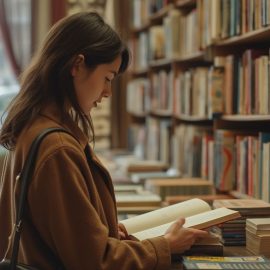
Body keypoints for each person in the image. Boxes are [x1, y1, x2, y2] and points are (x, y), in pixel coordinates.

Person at [0, 11, 208, 270]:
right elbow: (95, 262)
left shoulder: (33, 125)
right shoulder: (57, 148)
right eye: (107, 78)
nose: (108, 92)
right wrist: (165, 245)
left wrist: (100, 227)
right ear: (77, 65)